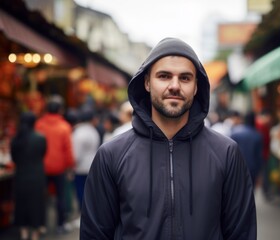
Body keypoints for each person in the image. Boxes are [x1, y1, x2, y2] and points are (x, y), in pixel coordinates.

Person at [80, 37, 257, 239]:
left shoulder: (226, 153)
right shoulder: (111, 155)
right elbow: (95, 234)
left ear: (197, 86)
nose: (174, 86)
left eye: (185, 78)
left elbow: (242, 233)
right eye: (164, 76)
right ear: (147, 82)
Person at [35, 95, 75, 234]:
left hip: (42, 167)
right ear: (59, 110)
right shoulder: (64, 127)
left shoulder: (39, 124)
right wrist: (70, 166)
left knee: (41, 198)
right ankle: (60, 225)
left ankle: (41, 226)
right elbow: (68, 149)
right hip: (59, 167)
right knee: (61, 197)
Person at [10, 112, 47, 240]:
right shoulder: (40, 138)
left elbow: (14, 158)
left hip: (20, 176)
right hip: (37, 176)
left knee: (21, 204)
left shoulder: (16, 139)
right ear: (34, 122)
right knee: (36, 205)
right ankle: (35, 234)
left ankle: (23, 233)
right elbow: (42, 154)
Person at [72, 107, 100, 211]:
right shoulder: (93, 131)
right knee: (90, 194)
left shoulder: (78, 133)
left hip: (80, 168)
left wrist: (72, 167)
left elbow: (76, 155)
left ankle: (82, 216)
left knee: (81, 193)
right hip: (92, 166)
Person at [230, 111, 263, 186]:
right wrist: (259, 174)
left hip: (237, 168)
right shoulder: (257, 135)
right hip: (252, 169)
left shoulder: (235, 133)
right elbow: (259, 157)